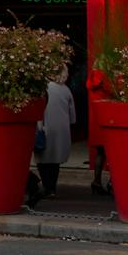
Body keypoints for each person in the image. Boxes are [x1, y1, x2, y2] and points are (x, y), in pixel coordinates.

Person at [35, 64, 75, 199]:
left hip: (46, 128)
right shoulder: (67, 90)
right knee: (55, 162)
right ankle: (52, 188)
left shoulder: (43, 88)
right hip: (62, 129)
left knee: (42, 159)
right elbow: (72, 116)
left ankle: (47, 187)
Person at [85, 64, 112, 195]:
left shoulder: (91, 81)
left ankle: (97, 181)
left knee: (100, 153)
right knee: (113, 153)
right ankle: (112, 182)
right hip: (107, 118)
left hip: (95, 121)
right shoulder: (105, 80)